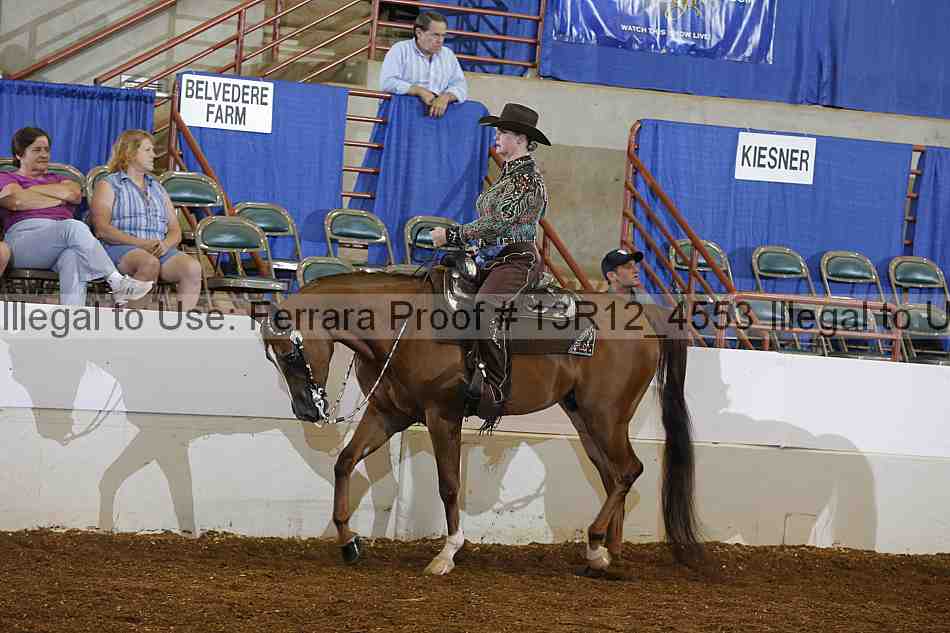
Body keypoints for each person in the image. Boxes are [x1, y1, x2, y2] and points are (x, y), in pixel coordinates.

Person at [431, 103, 550, 427]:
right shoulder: (508, 177)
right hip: (492, 259)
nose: (497, 137)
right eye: (498, 131)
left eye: (503, 132)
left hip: (517, 260)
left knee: (486, 307)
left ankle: (496, 388)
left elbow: (499, 223)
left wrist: (453, 234)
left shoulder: (528, 181)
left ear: (521, 139)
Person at [0, 126, 153, 306]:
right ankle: (116, 281)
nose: (44, 154)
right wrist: (58, 198)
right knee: (73, 226)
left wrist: (30, 192)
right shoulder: (6, 177)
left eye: (46, 150)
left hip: (61, 240)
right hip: (23, 241)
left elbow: (73, 194)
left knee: (73, 256)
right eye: (37, 150)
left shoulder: (60, 178)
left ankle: (71, 317)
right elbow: (16, 201)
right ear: (19, 154)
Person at [90, 130, 202, 311]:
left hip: (157, 249)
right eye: (148, 150)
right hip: (121, 247)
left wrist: (165, 245)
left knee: (192, 268)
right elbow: (102, 229)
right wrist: (142, 244)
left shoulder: (158, 188)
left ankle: (181, 324)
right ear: (130, 153)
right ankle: (130, 320)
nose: (154, 155)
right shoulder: (109, 184)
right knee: (149, 263)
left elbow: (175, 230)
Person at [379, 11, 467, 118]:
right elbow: (388, 82)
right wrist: (419, 91)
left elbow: (461, 86)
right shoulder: (400, 50)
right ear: (419, 33)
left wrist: (446, 97)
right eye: (435, 35)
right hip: (401, 115)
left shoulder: (448, 55)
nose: (440, 40)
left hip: (436, 117)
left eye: (443, 35)